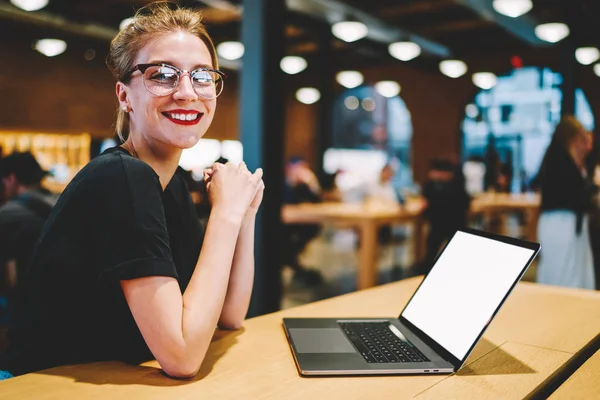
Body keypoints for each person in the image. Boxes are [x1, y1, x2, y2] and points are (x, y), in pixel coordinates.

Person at [0, 2, 264, 379]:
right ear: (124, 96)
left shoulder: (166, 184)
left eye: (202, 76)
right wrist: (224, 214)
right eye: (163, 75)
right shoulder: (123, 179)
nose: (187, 92)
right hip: (34, 386)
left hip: (115, 379)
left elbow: (228, 316)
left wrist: (245, 212)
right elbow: (183, 357)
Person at [536, 116, 595, 289]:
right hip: (560, 224)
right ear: (573, 137)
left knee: (575, 274)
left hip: (569, 224)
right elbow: (576, 194)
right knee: (562, 275)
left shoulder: (570, 160)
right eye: (583, 139)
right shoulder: (558, 160)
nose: (587, 146)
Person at [0, 152, 57, 324]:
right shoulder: (61, 202)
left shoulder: (9, 215)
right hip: (62, 304)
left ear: (11, 179)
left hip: (29, 311)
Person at [421, 158, 470, 274]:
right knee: (432, 250)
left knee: (452, 251)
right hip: (438, 224)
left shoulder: (456, 186)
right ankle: (426, 272)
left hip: (452, 224)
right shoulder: (431, 184)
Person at [282, 156, 323, 287]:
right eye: (299, 167)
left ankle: (294, 266)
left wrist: (312, 183)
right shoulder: (282, 184)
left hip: (300, 226)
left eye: (305, 168)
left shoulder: (303, 186)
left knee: (311, 229)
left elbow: (317, 202)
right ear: (289, 168)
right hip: (282, 228)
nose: (302, 171)